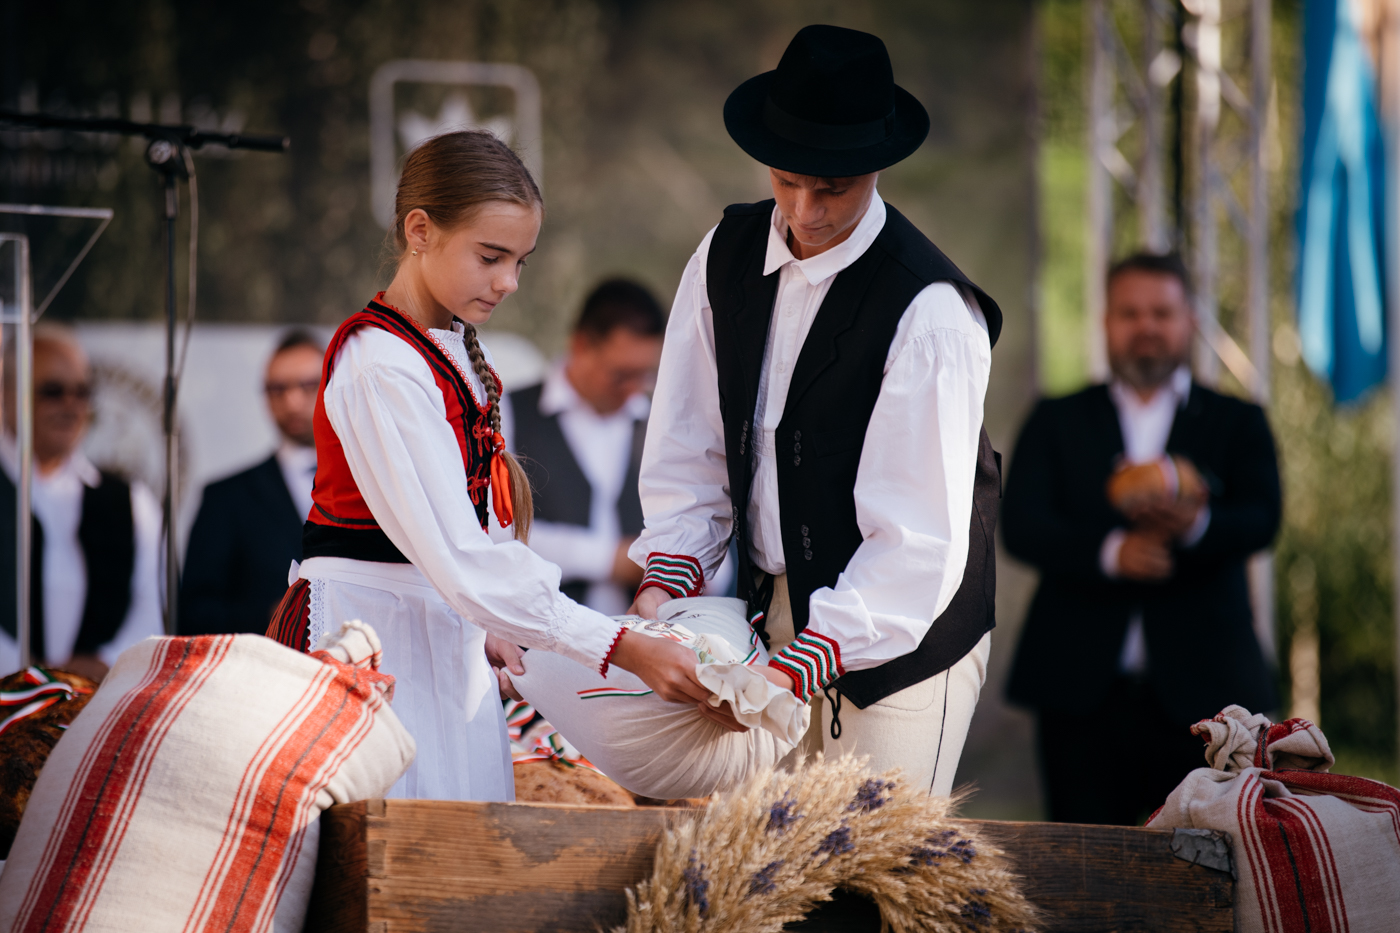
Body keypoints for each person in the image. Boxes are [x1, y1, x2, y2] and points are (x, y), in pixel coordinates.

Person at [262, 130, 727, 803]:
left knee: (457, 826)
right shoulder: (380, 364)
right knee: (391, 833)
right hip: (371, 636)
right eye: (490, 256)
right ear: (420, 231)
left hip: (434, 633)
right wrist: (620, 647)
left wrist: (489, 626)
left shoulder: (443, 351)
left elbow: (471, 554)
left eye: (520, 262)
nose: (508, 281)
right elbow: (462, 558)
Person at [627, 24, 1004, 797]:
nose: (805, 209)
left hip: (903, 636)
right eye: (787, 180)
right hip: (768, 614)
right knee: (766, 859)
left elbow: (917, 542)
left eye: (832, 187)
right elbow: (693, 447)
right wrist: (665, 583)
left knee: (870, 859)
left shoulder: (931, 312)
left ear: (876, 166)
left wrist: (806, 657)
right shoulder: (723, 257)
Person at [1003, 251, 1281, 825]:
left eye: (1161, 312)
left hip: (1207, 696)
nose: (1146, 326)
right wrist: (1110, 554)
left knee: (1203, 862)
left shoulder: (1237, 419)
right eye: (1130, 313)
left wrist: (1195, 526)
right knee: (1082, 862)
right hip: (1079, 691)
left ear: (1189, 321)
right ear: (1106, 322)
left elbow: (1263, 518)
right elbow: (1021, 525)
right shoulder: (1057, 418)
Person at [0, 325, 163, 681]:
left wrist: (105, 662)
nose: (70, 405)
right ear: (8, 394)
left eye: (82, 392)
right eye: (52, 391)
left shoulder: (130, 501)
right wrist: (32, 676)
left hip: (96, 700)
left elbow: (152, 607)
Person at [500, 279, 662, 615]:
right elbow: (497, 536)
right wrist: (610, 560)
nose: (634, 390)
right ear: (581, 345)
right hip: (538, 631)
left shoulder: (662, 426)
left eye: (645, 375)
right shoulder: (508, 412)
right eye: (621, 375)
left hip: (648, 635)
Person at [180, 330, 323, 635]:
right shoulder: (225, 499)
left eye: (308, 385)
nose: (292, 401)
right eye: (278, 389)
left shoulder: (369, 485)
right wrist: (270, 616)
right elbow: (193, 614)